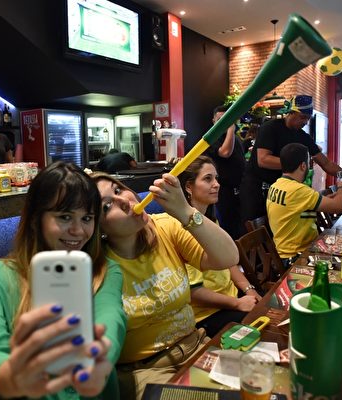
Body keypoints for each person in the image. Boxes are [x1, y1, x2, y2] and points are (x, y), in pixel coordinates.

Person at [0, 162, 126, 399]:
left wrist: (96, 356)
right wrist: (11, 378)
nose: (78, 231)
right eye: (65, 217)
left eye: (87, 218)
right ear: (35, 219)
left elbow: (111, 320)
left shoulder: (106, 271)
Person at [91, 171, 238, 400]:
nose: (125, 201)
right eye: (107, 206)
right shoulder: (97, 267)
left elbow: (228, 257)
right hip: (142, 370)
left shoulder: (164, 226)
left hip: (197, 344)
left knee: (257, 382)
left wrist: (185, 211)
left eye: (118, 190)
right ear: (97, 228)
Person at [240, 95, 342, 225]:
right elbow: (263, 160)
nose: (305, 122)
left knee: (282, 223)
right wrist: (295, 164)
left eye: (308, 118)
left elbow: (326, 163)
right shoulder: (270, 127)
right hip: (256, 187)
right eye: (302, 117)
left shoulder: (302, 136)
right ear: (291, 113)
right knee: (255, 226)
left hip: (278, 188)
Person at [178, 156, 261, 337]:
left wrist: (249, 289)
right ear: (188, 187)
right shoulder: (182, 229)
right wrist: (238, 304)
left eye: (216, 178)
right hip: (208, 313)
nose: (216, 184)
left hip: (232, 297)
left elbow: (229, 263)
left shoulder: (208, 219)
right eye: (208, 179)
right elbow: (194, 292)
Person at [267, 143, 342, 264]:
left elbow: (294, 212)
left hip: (284, 252)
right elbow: (339, 207)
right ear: (303, 166)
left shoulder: (276, 185)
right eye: (309, 162)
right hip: (297, 256)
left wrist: (322, 200)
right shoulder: (297, 190)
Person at [205, 105, 246, 239]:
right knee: (227, 226)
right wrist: (231, 129)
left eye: (226, 119)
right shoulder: (211, 138)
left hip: (239, 189)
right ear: (213, 121)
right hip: (223, 190)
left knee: (239, 226)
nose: (223, 123)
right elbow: (225, 152)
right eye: (220, 120)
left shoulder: (235, 138)